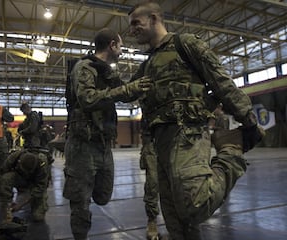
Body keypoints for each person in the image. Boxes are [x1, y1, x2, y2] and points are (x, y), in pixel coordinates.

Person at [128, 2, 265, 240]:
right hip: (159, 145)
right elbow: (127, 94)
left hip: (188, 134)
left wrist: (249, 121)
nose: (132, 30)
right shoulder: (147, 65)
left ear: (153, 18)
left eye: (135, 23)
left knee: (196, 203)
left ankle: (231, 154)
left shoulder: (185, 44)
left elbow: (221, 81)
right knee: (175, 220)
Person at [63, 27, 151, 240]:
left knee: (103, 196)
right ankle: (80, 235)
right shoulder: (85, 67)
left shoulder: (107, 72)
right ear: (112, 45)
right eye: (120, 46)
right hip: (82, 146)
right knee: (80, 202)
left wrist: (141, 80)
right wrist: (127, 90)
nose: (121, 51)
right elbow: (88, 99)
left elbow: (127, 94)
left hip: (103, 146)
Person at [0, 149, 50, 223]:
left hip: (34, 183)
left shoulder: (42, 163)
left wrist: (21, 204)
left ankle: (35, 205)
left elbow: (40, 187)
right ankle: (7, 207)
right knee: (5, 178)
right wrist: (7, 199)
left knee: (38, 217)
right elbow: (2, 175)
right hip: (20, 178)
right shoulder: (13, 158)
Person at [139, 117, 160, 240]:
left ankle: (177, 221)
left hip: (176, 140)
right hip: (152, 142)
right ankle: (152, 220)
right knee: (153, 183)